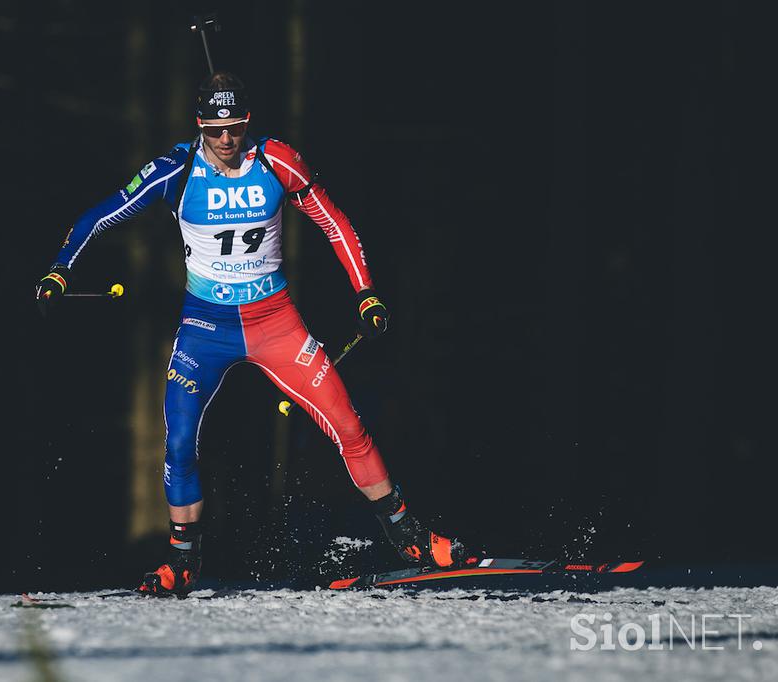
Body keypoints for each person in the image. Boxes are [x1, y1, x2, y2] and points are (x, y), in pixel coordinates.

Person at [36, 71, 465, 595]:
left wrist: (365, 291)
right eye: (216, 129)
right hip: (204, 328)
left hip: (275, 322)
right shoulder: (176, 170)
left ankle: (409, 536)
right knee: (177, 442)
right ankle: (183, 560)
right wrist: (61, 269)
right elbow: (102, 214)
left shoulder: (277, 161)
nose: (226, 140)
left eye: (235, 128)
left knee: (349, 426)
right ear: (200, 125)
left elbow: (335, 222)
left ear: (247, 123)